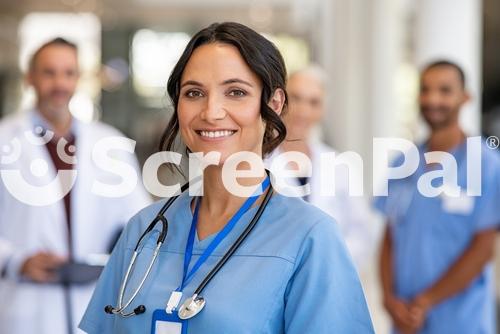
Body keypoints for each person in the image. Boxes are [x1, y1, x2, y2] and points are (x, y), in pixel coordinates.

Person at [79, 22, 374, 333]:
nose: (211, 111)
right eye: (194, 92)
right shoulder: (144, 230)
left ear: (273, 104)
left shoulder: (310, 237)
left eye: (236, 92)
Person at [0, 38, 151, 333]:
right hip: (25, 306)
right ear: (30, 77)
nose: (60, 83)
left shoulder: (109, 143)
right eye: (49, 72)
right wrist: (14, 261)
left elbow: (140, 219)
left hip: (93, 301)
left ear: (78, 79)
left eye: (68, 73)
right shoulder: (4, 139)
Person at [375, 60, 500, 333]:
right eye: (425, 90)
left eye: (445, 90)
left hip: (461, 322)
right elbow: (389, 238)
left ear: (465, 97)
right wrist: (388, 300)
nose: (433, 99)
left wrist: (425, 302)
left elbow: (482, 250)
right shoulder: (402, 164)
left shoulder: (488, 165)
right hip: (405, 321)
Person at [267, 65, 376, 270]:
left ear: (322, 109)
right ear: (279, 101)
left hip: (331, 274)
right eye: (296, 98)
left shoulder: (339, 165)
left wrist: (328, 263)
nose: (303, 110)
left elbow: (360, 232)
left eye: (314, 102)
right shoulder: (258, 163)